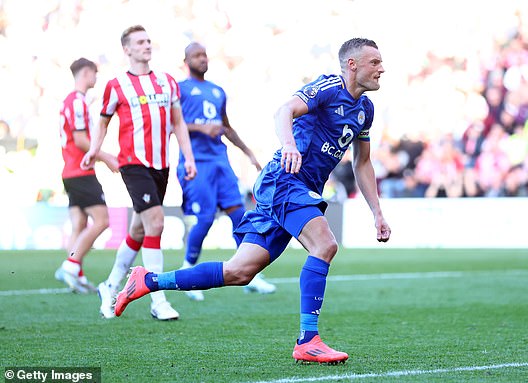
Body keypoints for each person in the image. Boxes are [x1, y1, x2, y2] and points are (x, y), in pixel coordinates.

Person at [115, 37, 391, 363]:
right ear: (352, 64)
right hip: (285, 181)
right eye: (374, 62)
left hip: (296, 189)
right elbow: (284, 110)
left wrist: (377, 212)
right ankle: (308, 340)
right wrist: (288, 144)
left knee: (239, 271)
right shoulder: (329, 88)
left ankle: (147, 280)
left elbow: (362, 163)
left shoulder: (365, 111)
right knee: (325, 245)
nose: (381, 68)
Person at [81, 25, 197, 320]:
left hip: (162, 164)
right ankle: (157, 301)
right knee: (156, 223)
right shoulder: (116, 85)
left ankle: (109, 285)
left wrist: (189, 157)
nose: (147, 45)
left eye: (148, 40)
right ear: (127, 50)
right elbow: (103, 122)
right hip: (133, 164)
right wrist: (95, 149)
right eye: (140, 42)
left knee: (139, 229)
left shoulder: (167, 81)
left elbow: (179, 123)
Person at [177, 42, 275, 301]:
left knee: (240, 216)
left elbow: (226, 128)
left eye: (204, 55)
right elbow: (172, 125)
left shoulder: (218, 91)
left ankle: (249, 274)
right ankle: (189, 274)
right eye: (197, 56)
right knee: (206, 218)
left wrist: (249, 153)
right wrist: (201, 128)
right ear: (186, 60)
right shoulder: (180, 89)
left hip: (220, 161)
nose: (202, 59)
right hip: (196, 162)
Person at [55, 57, 119, 294]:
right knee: (102, 221)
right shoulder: (77, 102)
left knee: (79, 224)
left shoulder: (71, 101)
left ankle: (76, 274)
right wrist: (107, 157)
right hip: (80, 171)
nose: (96, 78)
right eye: (94, 73)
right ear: (85, 73)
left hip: (70, 171)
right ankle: (70, 266)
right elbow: (81, 140)